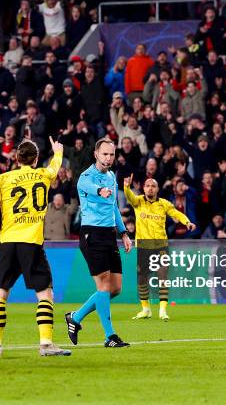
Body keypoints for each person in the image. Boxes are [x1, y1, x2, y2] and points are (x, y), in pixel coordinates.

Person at [0, 138, 70, 357]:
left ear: (16, 158)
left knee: (0, 293)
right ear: (35, 159)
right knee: (45, 293)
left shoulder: (3, 179)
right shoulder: (43, 175)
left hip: (7, 242)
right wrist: (58, 153)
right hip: (31, 243)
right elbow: (54, 169)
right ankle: (46, 344)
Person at [64, 138, 133, 348]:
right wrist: (101, 191)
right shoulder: (85, 177)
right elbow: (93, 188)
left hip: (109, 235)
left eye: (111, 154)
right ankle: (110, 336)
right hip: (91, 235)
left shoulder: (112, 176)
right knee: (103, 286)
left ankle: (75, 317)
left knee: (116, 288)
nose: (108, 158)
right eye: (104, 154)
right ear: (96, 154)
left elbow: (113, 208)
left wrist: (124, 233)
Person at [124, 175, 195, 321]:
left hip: (161, 246)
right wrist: (126, 186)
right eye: (147, 185)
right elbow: (129, 196)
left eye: (153, 186)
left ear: (157, 189)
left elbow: (176, 213)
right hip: (144, 246)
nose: (150, 188)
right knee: (142, 278)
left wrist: (186, 222)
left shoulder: (164, 203)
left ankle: (162, 310)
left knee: (162, 277)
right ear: (143, 188)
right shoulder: (138, 202)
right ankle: (146, 309)